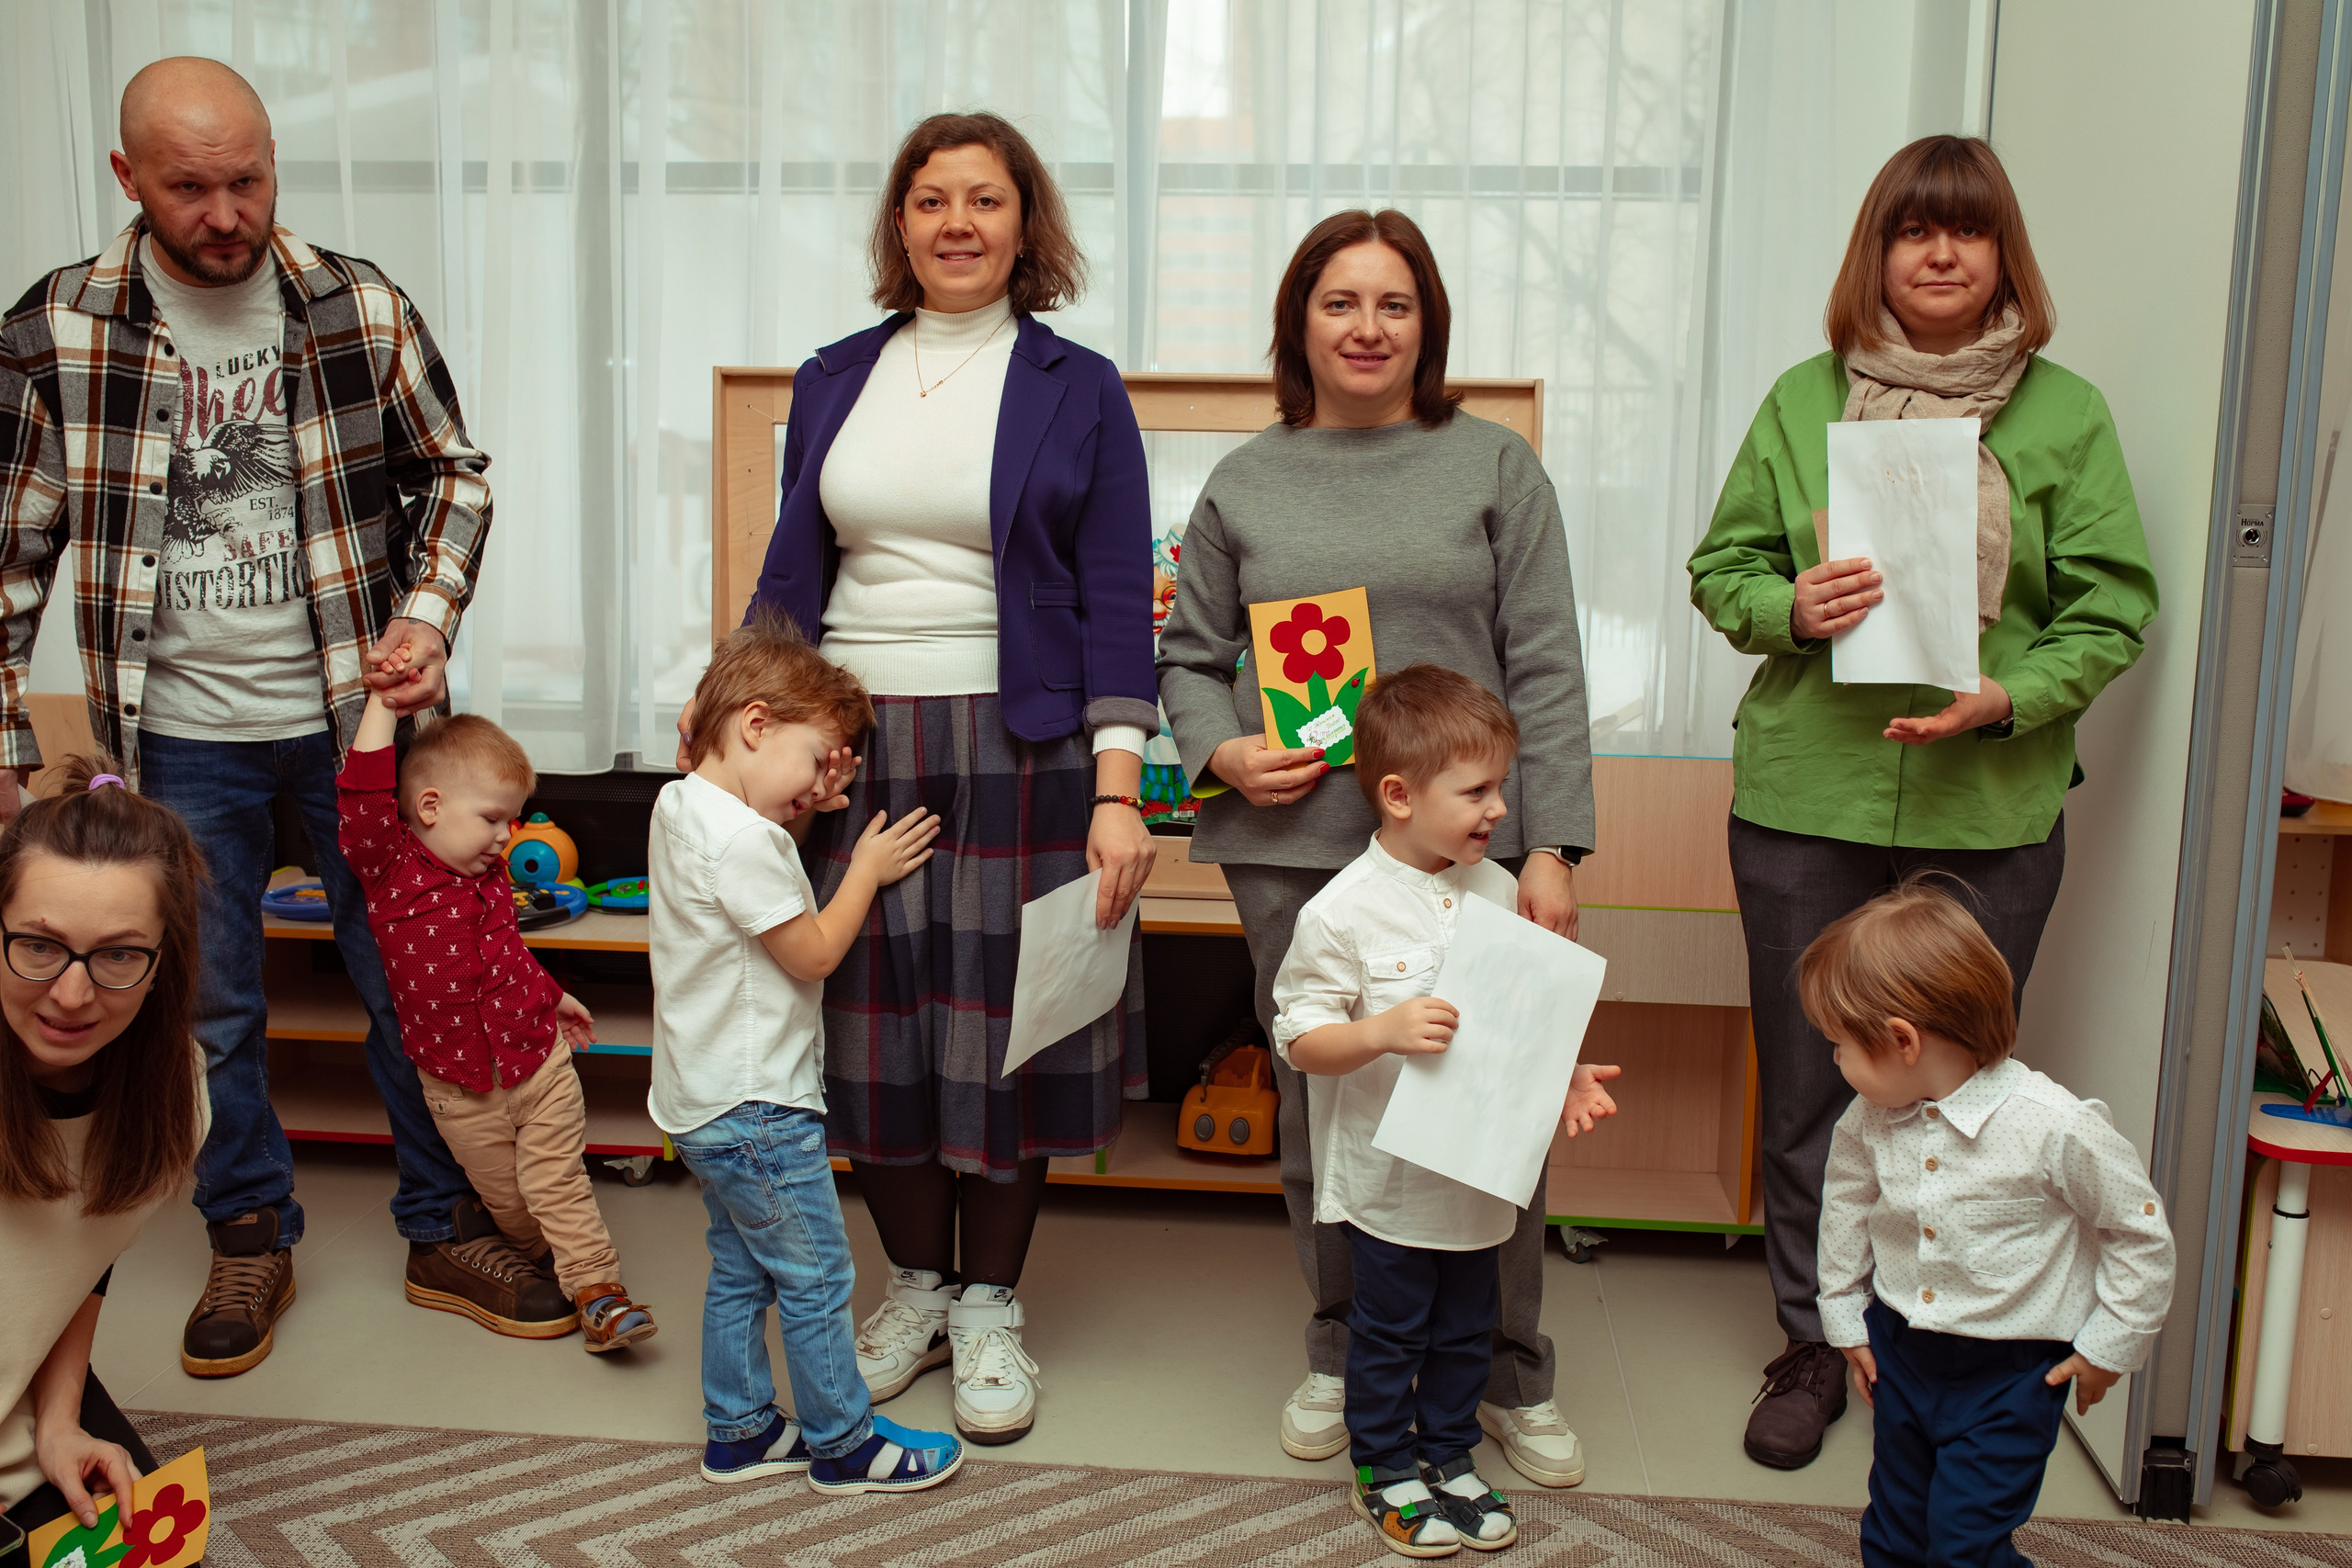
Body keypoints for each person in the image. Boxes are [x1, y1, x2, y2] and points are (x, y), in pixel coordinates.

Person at [0, 57, 538, 1376]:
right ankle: (248, 1231)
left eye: (249, 178)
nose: (227, 210)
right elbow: (7, 560)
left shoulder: (355, 305)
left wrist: (428, 611)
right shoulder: (57, 329)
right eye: (192, 187)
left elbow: (457, 476)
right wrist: (11, 753)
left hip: (362, 730)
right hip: (177, 736)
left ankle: (442, 1222)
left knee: (410, 978)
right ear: (128, 179)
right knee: (210, 1005)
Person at [1685, 134, 2159, 1469]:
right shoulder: (1799, 402)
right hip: (1806, 794)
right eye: (1912, 231)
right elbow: (1721, 568)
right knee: (1805, 1088)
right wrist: (1792, 602)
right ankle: (1807, 1340)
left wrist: (2008, 695)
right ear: (1874, 255)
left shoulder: (2064, 414)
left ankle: (1947, 1344)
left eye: (1968, 231)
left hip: (1989, 805)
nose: (1940, 254)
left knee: (1963, 1104)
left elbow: (2115, 607)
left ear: (2005, 255)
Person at [726, 110, 1159, 1447]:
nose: (957, 222)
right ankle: (914, 1283)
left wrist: (1119, 780)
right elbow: (794, 571)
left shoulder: (1077, 384)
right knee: (871, 1020)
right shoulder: (832, 374)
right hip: (849, 740)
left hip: (1022, 742)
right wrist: (745, 737)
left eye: (985, 199)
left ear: (1026, 224)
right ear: (899, 223)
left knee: (1011, 1023)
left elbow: (1111, 594)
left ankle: (989, 1305)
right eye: (930, 200)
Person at [1157, 208, 1598, 1487]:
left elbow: (1548, 664)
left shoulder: (1495, 466)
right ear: (1301, 321)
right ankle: (1346, 1344)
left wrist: (1556, 843)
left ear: (1428, 323)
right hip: (1297, 846)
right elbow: (1189, 657)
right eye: (1339, 301)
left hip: (1476, 854)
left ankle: (1507, 1364)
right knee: (1325, 1099)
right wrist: (1220, 751)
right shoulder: (1246, 476)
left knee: (1492, 1099)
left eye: (1393, 303)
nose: (1366, 326)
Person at [1272, 668, 1620, 1559]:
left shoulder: (1497, 890)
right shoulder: (1340, 912)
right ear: (1397, 795)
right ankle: (1385, 1470)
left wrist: (1567, 1074)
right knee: (1389, 1334)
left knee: (1470, 1326)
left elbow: (1518, 1025)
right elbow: (1300, 1039)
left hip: (1479, 1175)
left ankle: (1451, 1456)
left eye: (1499, 787)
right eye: (1475, 791)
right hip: (1389, 1185)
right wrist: (1380, 1030)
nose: (1498, 808)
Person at [650, 617, 962, 1494]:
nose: (823, 784)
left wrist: (795, 794)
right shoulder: (749, 843)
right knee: (819, 1274)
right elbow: (815, 951)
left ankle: (741, 1427)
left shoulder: (681, 805)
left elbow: (734, 810)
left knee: (741, 1269)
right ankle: (842, 1441)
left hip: (697, 1099)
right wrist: (861, 865)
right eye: (819, 759)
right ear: (754, 725)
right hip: (758, 1105)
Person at [1805, 879, 2174, 1567]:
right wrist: (1847, 1320)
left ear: (1902, 1039)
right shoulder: (1868, 1120)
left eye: (1840, 1046)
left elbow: (2140, 1232)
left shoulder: (2054, 1126)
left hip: (2012, 1371)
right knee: (1893, 1529)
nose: (1835, 1061)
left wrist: (2108, 1345)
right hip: (1903, 1349)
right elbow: (1846, 1210)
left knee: (1964, 1544)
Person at [337, 681, 655, 1350]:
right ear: (430, 806)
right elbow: (363, 798)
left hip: (537, 1063)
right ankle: (553, 1260)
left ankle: (600, 1290)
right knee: (514, 1210)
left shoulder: (489, 880)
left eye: (513, 820)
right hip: (461, 1090)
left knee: (556, 1181)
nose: (506, 835)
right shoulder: (390, 869)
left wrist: (552, 995)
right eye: (492, 818)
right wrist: (383, 704)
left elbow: (506, 955)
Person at [1, 764, 208, 1544]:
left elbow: (81, 1260)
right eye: (38, 946)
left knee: (157, 1546)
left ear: (162, 964)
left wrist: (58, 1420)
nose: (72, 994)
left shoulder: (176, 1091)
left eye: (119, 955)